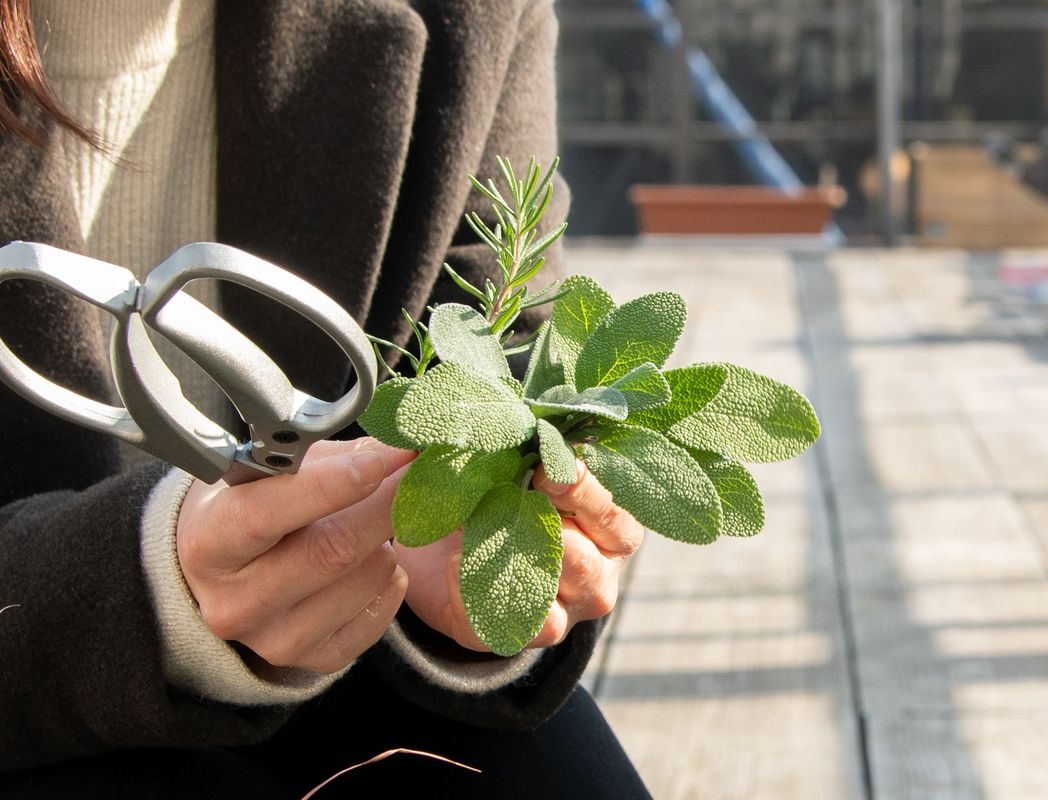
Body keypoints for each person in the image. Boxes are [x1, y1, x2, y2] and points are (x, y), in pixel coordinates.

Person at [0, 1, 652, 797]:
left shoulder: (468, 16)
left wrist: (482, 537)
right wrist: (147, 592)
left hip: (360, 676)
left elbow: (504, 345)